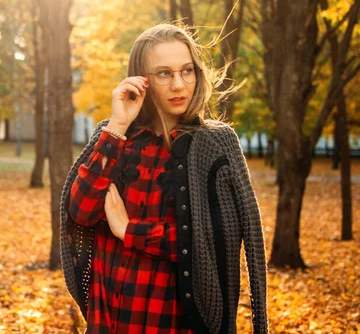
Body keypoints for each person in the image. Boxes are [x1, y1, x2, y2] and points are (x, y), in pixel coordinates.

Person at [59, 23, 269, 334]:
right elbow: (80, 211)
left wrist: (128, 230)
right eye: (164, 73)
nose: (179, 85)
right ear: (141, 80)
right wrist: (117, 125)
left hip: (172, 320)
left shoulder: (214, 144)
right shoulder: (115, 136)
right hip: (109, 322)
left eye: (187, 71)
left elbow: (210, 243)